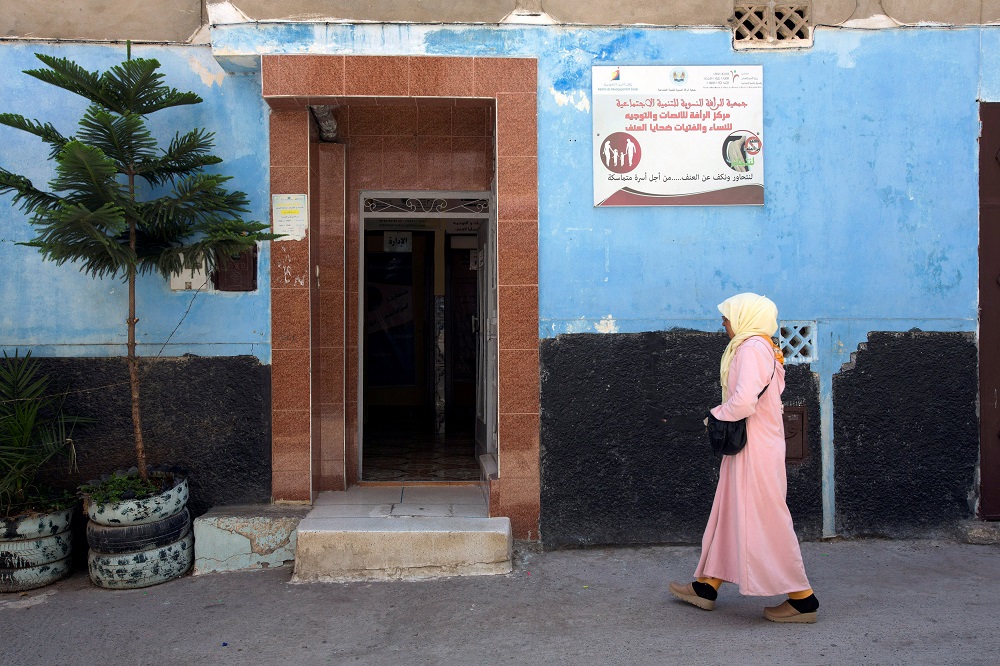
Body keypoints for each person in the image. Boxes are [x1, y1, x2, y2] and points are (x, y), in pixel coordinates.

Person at [669, 293, 819, 623]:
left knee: (766, 519)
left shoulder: (751, 349)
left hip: (754, 449)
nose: (724, 322)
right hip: (754, 445)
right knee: (729, 511)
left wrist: (713, 416)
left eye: (728, 315)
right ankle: (707, 585)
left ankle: (803, 599)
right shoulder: (761, 346)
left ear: (746, 316)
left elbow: (743, 402)